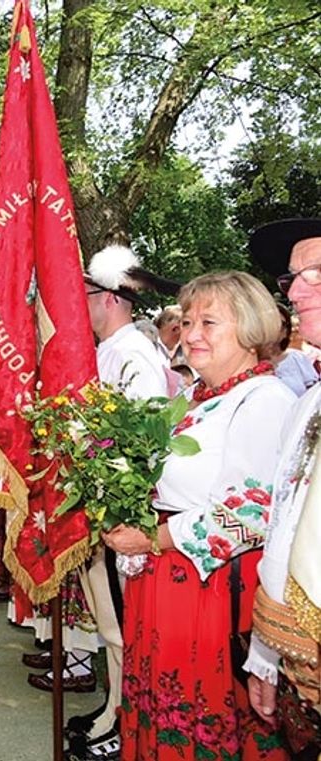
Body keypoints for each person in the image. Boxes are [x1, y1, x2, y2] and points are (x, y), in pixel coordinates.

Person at [101, 271, 293, 760]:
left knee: (202, 714)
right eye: (187, 322)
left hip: (211, 590)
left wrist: (151, 538)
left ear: (251, 328)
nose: (191, 334)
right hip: (165, 579)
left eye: (209, 322)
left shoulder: (265, 400)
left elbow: (248, 513)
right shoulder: (193, 398)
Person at [58, 245, 175, 760]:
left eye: (83, 295)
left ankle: (124, 717)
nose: (76, 304)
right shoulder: (107, 351)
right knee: (108, 622)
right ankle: (113, 708)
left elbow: (146, 437)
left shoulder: (131, 355)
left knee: (120, 625)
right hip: (98, 507)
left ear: (109, 299)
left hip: (122, 512)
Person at [245, 218, 321, 760]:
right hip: (300, 656)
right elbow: (281, 526)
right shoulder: (305, 405)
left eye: (316, 275)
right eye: (292, 278)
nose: (296, 292)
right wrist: (264, 658)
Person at [273, 303, 319, 397]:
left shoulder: (297, 358)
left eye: (282, 324)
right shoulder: (248, 360)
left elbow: (313, 395)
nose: (275, 328)